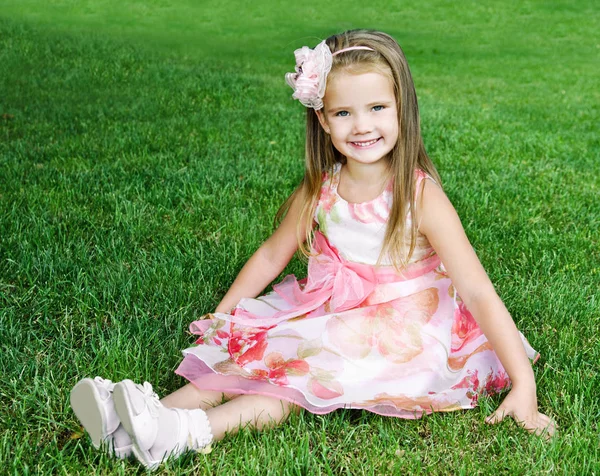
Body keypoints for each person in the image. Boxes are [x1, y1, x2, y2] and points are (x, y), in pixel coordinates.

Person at [70, 29, 556, 470]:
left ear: (402, 107)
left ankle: (189, 432)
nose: (361, 126)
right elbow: (270, 255)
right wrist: (225, 319)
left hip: (402, 328)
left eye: (377, 109)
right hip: (333, 309)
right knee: (254, 355)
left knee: (293, 382)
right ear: (322, 119)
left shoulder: (419, 194)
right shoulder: (323, 187)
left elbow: (476, 288)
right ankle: (139, 421)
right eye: (344, 112)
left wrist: (524, 384)